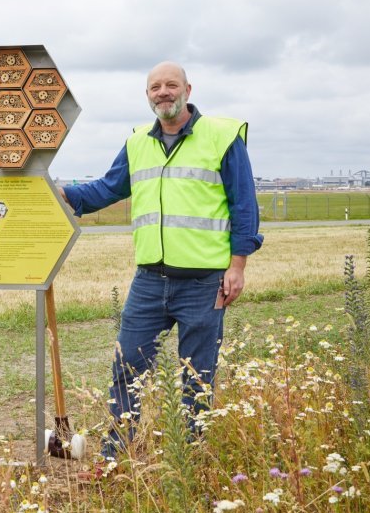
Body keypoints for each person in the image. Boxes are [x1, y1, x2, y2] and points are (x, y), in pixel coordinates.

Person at [60, 61, 263, 468]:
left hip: (205, 283)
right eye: (155, 87)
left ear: (188, 88)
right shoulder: (137, 142)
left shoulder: (222, 138)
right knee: (126, 368)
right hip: (150, 281)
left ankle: (190, 462)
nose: (163, 92)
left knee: (197, 378)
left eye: (171, 85)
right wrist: (59, 193)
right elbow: (106, 188)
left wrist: (237, 265)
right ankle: (117, 457)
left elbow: (244, 206)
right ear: (148, 94)